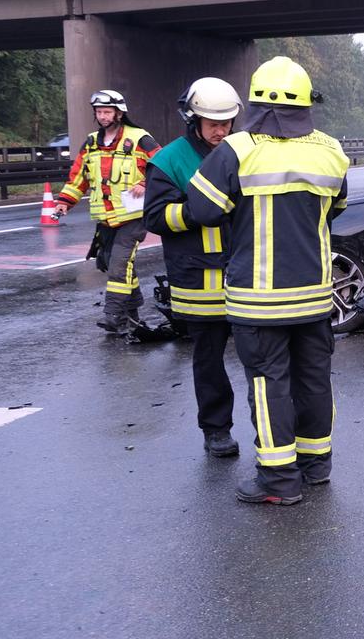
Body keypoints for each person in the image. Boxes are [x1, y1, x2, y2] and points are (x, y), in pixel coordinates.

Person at [186, 57, 349, 505]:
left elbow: (201, 210)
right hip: (315, 296)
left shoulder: (237, 149)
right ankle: (316, 466)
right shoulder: (332, 150)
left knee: (268, 383)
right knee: (315, 379)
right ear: (306, 102)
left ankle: (278, 481)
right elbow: (335, 209)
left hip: (258, 301)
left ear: (255, 102)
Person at [143, 78, 245, 458]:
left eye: (227, 122)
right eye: (212, 122)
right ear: (192, 118)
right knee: (209, 359)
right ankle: (217, 429)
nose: (221, 130)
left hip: (247, 273)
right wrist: (194, 212)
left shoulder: (243, 151)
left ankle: (272, 430)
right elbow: (155, 217)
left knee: (262, 357)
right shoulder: (170, 160)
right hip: (199, 279)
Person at [55, 90, 161, 334]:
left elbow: (163, 165)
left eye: (107, 112)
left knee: (119, 264)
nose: (102, 116)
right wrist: (64, 202)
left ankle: (112, 314)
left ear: (119, 113)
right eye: (99, 112)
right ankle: (132, 314)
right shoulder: (91, 143)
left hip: (133, 217)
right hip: (106, 220)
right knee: (113, 265)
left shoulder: (139, 138)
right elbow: (78, 177)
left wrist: (145, 183)